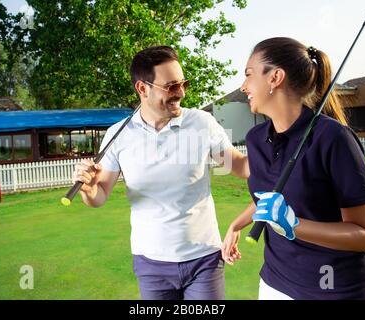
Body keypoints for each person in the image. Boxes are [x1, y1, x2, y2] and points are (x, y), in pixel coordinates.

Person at [73, 45, 249, 300]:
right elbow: (98, 197)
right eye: (171, 86)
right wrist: (88, 189)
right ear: (142, 89)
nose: (181, 93)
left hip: (204, 259)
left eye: (183, 83)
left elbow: (241, 167)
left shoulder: (201, 122)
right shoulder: (117, 135)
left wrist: (281, 146)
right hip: (151, 263)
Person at [222, 37, 365, 300]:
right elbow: (271, 198)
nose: (243, 86)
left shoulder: (334, 138)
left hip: (333, 288)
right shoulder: (256, 139)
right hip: (275, 283)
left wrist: (295, 225)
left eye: (249, 75)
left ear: (275, 77)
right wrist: (236, 224)